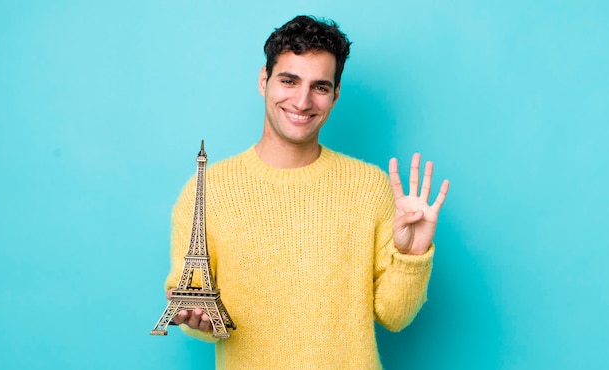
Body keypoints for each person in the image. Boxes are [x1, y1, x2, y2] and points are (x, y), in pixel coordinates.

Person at [164, 15, 449, 369]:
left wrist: (413, 254)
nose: (302, 101)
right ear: (263, 80)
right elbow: (196, 314)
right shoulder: (206, 191)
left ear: (335, 94)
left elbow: (393, 317)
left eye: (320, 87)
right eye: (289, 80)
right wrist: (197, 320)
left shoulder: (369, 186)